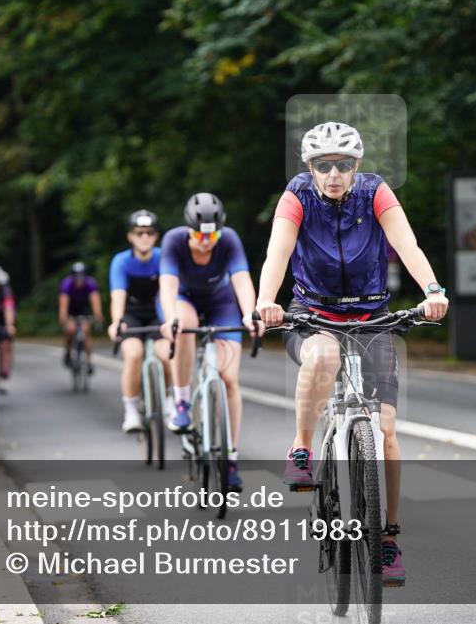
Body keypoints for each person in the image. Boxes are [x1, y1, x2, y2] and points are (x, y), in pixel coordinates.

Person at [254, 121, 449, 586]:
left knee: (385, 430)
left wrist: (432, 289)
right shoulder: (296, 195)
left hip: (371, 316)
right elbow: (277, 253)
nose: (333, 174)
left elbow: (406, 243)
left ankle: (388, 537)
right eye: (323, 166)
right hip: (313, 313)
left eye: (343, 165)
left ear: (356, 165)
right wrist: (265, 301)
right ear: (310, 168)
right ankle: (302, 447)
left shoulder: (375, 191)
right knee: (323, 358)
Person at [158, 193, 258, 492]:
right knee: (184, 325)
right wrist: (170, 318)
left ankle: (230, 459)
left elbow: (241, 279)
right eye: (200, 235)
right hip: (183, 299)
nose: (206, 241)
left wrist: (250, 314)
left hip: (220, 302)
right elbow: (168, 285)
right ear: (189, 230)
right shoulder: (173, 240)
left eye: (212, 235)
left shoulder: (229, 239)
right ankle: (182, 401)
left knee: (229, 379)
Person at [108, 210, 166, 433]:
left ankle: (172, 399)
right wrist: (116, 321)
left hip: (157, 312)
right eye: (139, 232)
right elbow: (118, 295)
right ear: (130, 236)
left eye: (149, 232)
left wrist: (171, 320)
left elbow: (169, 292)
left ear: (156, 236)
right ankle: (131, 410)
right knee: (133, 354)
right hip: (131, 314)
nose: (144, 237)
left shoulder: (163, 258)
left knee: (166, 354)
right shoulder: (121, 261)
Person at [59, 262, 104, 373]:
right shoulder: (67, 284)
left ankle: (89, 360)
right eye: (77, 277)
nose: (79, 280)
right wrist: (63, 317)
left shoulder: (90, 283)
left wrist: (98, 315)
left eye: (81, 277)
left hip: (84, 309)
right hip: (71, 309)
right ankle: (68, 352)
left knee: (86, 330)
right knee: (70, 330)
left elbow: (95, 300)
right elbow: (64, 302)